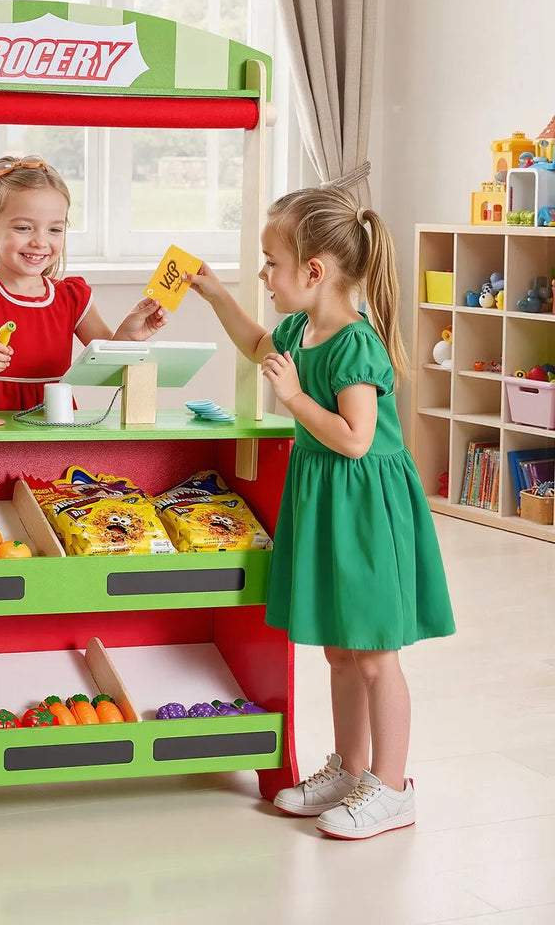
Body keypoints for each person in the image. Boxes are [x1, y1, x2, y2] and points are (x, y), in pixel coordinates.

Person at [186, 185, 455, 840]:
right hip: (327, 501)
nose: (264, 275)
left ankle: (391, 788)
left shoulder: (355, 344)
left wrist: (294, 398)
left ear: (313, 271)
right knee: (339, 651)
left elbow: (356, 438)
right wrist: (217, 295)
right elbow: (258, 343)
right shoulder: (298, 329)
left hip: (364, 508)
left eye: (271, 263)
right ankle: (349, 769)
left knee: (374, 656)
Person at [0, 155, 165, 412]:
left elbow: (109, 359)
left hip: (53, 417)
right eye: (24, 228)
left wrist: (130, 333)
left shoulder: (71, 297)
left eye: (54, 230)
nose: (40, 242)